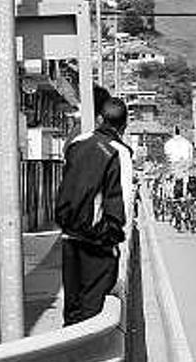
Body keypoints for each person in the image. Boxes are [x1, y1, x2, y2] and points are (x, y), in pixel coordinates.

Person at [55, 98, 129, 325]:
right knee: (93, 313)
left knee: (72, 310)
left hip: (69, 239)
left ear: (99, 119)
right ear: (123, 127)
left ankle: (69, 357)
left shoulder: (76, 144)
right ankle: (94, 358)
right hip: (98, 244)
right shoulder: (119, 151)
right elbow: (122, 203)